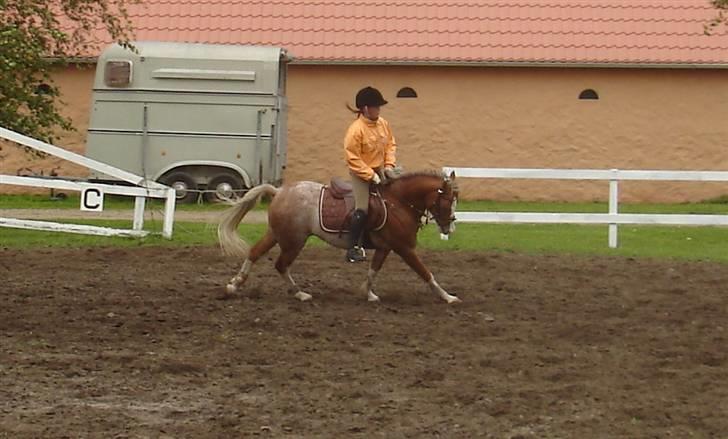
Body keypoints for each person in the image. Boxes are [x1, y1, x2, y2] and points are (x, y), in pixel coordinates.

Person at [343, 86, 399, 263]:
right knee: (363, 208)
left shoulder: (383, 123)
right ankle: (353, 248)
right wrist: (371, 176)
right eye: (376, 106)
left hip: (380, 169)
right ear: (366, 108)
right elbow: (353, 158)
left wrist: (389, 166)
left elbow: (390, 144)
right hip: (360, 173)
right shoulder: (355, 130)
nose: (379, 109)